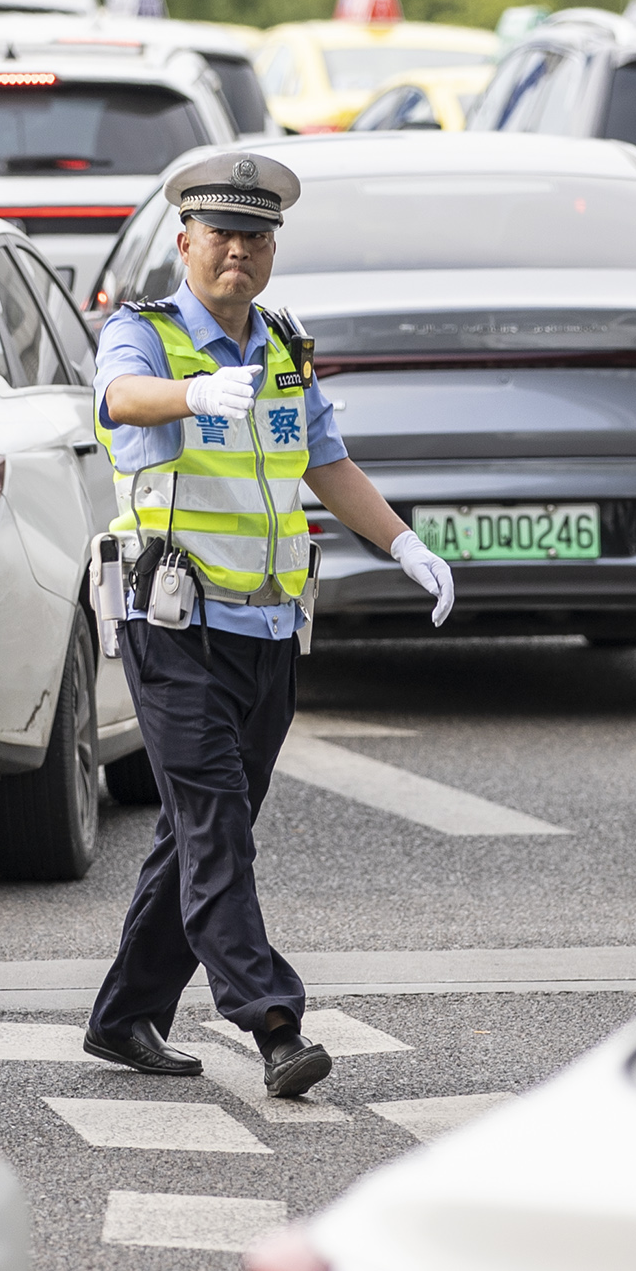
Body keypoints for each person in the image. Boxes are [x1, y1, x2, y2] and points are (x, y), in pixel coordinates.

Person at [81, 151, 455, 1097]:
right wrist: (193, 394)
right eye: (220, 237)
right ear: (184, 243)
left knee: (200, 828)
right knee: (217, 828)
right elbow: (119, 400)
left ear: (273, 248)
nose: (236, 254)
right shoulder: (149, 336)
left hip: (270, 631)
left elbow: (328, 462)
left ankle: (126, 1016)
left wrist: (404, 543)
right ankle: (274, 1022)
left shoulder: (284, 345)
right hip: (174, 624)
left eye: (253, 237)